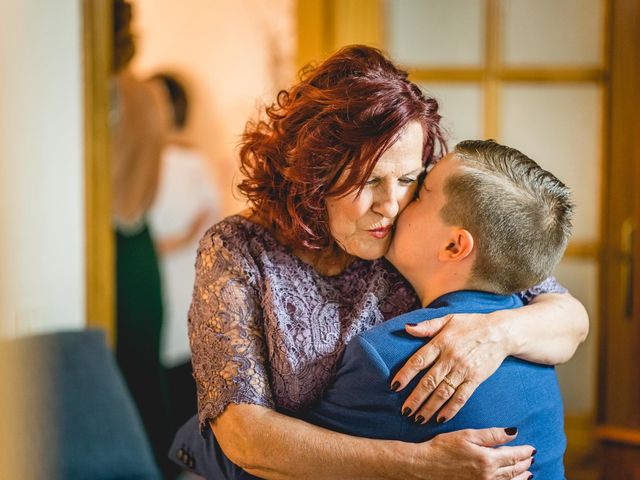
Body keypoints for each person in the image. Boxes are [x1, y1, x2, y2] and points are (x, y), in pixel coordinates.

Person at [177, 45, 588, 479]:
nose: (390, 205)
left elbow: (570, 319)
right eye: (369, 181)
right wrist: (421, 465)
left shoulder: (416, 235)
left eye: (410, 179)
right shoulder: (239, 248)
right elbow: (244, 435)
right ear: (313, 176)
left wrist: (494, 333)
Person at [110, 1, 175, 476]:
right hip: (141, 248)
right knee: (142, 372)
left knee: (112, 374)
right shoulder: (152, 94)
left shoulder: (100, 91)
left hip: (107, 246)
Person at [148, 72, 220, 434]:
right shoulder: (149, 160)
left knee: (185, 361)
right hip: (155, 274)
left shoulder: (192, 163)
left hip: (187, 276)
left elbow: (212, 220)